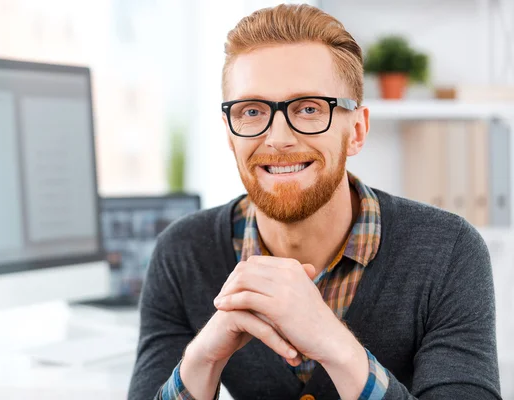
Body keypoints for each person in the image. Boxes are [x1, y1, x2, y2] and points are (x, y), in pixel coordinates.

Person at [128, 4, 501, 400]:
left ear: (356, 131)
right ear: (229, 134)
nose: (278, 138)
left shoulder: (450, 252)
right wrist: (201, 361)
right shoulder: (183, 252)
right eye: (252, 111)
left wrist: (334, 344)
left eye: (308, 109)